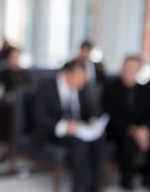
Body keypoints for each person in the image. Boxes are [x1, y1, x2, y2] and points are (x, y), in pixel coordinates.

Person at [34, 60, 104, 192]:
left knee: (97, 140)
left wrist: (92, 120)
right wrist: (63, 126)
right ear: (66, 75)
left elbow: (88, 111)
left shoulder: (80, 88)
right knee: (80, 143)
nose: (82, 83)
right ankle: (79, 187)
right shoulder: (46, 86)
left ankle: (94, 186)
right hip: (52, 131)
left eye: (84, 79)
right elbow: (39, 116)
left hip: (77, 129)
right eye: (79, 79)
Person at [103, 56, 150, 190]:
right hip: (118, 129)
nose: (129, 71)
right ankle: (126, 180)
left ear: (138, 70)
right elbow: (111, 115)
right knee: (128, 141)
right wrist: (134, 131)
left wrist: (145, 129)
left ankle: (148, 179)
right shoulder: (110, 88)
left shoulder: (145, 90)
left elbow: (148, 114)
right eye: (126, 68)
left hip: (141, 129)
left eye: (133, 69)